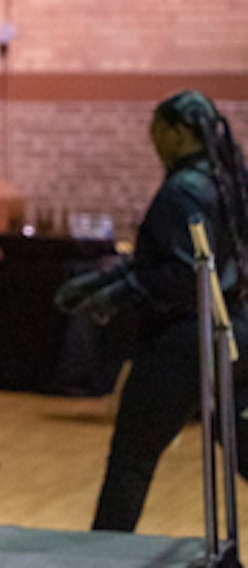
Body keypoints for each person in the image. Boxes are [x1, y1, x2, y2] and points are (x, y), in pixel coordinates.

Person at [54, 90, 248, 531]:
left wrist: (114, 297)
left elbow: (181, 275)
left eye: (157, 130)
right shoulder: (229, 178)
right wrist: (101, 281)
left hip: (182, 343)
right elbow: (164, 261)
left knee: (131, 460)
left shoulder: (182, 191)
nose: (152, 141)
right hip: (234, 328)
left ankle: (105, 557)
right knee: (241, 443)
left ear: (180, 133)